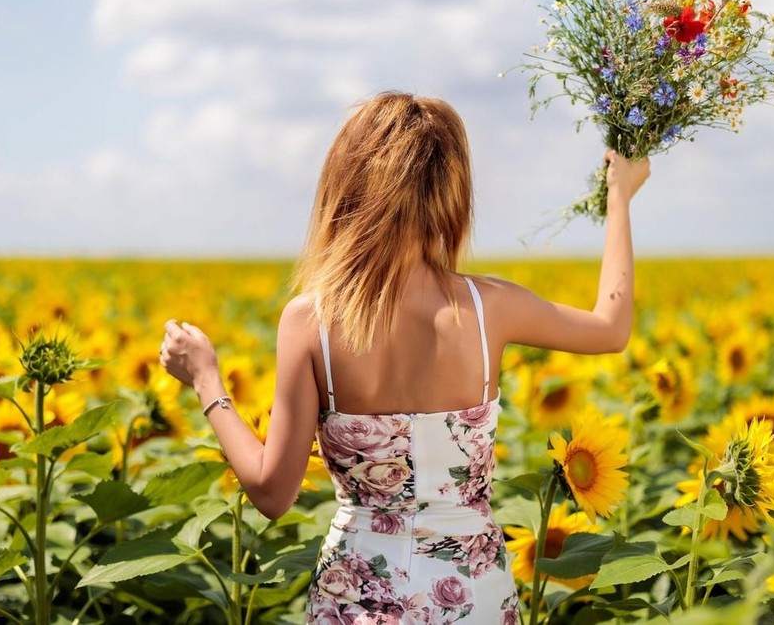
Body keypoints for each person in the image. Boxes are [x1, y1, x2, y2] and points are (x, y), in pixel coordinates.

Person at [159, 91, 650, 623]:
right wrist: (619, 198)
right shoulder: (491, 307)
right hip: (474, 594)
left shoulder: (311, 321)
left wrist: (206, 379)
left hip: (358, 596)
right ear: (451, 192)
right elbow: (610, 326)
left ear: (346, 185)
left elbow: (273, 493)